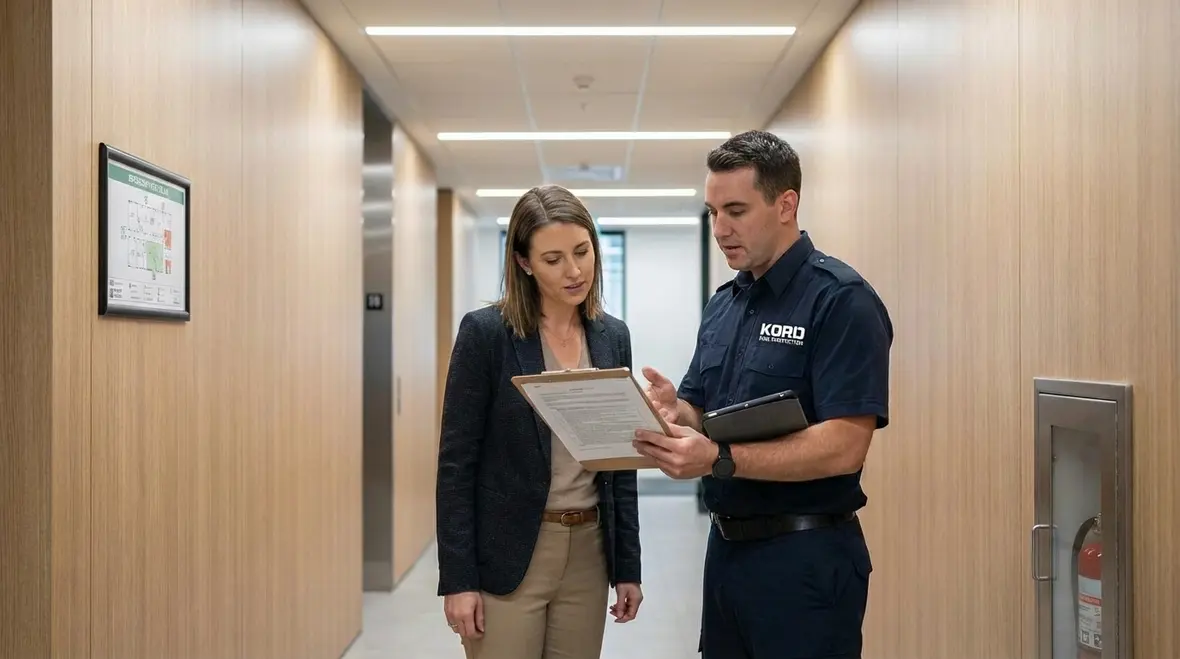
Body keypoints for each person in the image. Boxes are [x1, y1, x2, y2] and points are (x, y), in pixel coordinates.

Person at [633, 130, 893, 659]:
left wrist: (719, 459)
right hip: (727, 556)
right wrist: (674, 411)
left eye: (735, 211)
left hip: (806, 560)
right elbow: (700, 409)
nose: (719, 229)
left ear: (786, 205)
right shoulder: (724, 304)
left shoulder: (840, 301)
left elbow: (845, 445)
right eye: (713, 212)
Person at [436, 184, 644, 659]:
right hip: (509, 552)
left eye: (582, 251)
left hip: (588, 551)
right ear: (524, 262)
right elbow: (456, 466)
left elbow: (620, 463)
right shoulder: (486, 335)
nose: (574, 271)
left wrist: (627, 567)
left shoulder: (612, 337)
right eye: (553, 259)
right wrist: (459, 579)